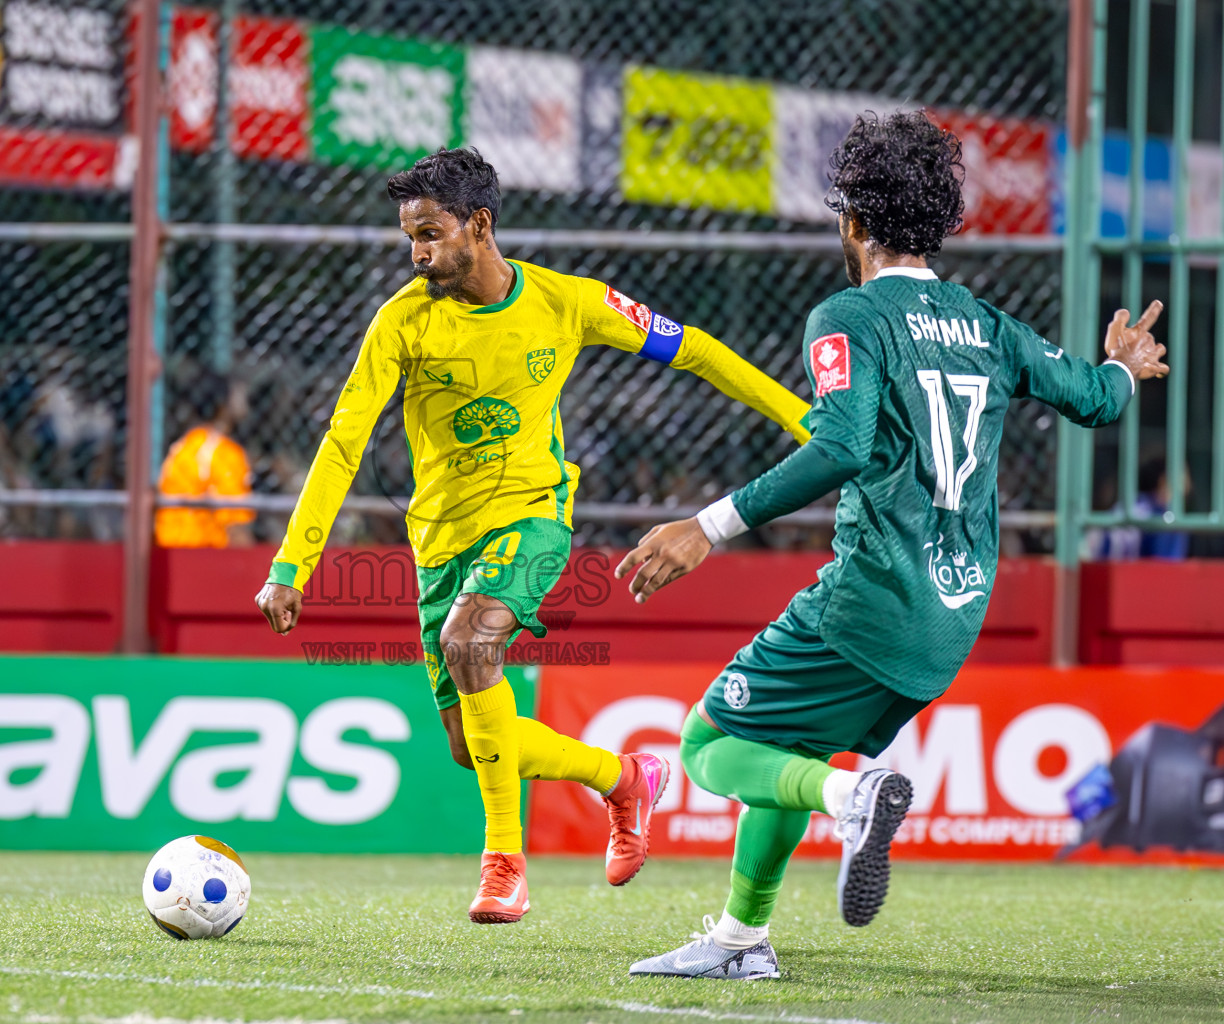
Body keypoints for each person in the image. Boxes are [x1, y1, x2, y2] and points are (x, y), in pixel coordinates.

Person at [615, 111, 1167, 980]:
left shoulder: (849, 315)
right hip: (953, 615)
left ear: (853, 223)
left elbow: (841, 444)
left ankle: (853, 798)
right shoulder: (987, 324)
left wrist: (706, 525)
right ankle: (740, 941)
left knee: (708, 745)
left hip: (868, 600)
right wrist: (1125, 366)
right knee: (786, 748)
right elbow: (1093, 399)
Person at [254, 147, 814, 923]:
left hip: (533, 519)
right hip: (438, 545)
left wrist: (806, 422)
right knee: (470, 743)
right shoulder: (402, 323)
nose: (417, 254)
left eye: (430, 234)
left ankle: (503, 866)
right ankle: (623, 778)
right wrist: (292, 566)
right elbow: (343, 444)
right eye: (410, 238)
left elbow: (694, 350)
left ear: (480, 225)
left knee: (469, 640)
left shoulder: (567, 301)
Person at [156, 376, 255, 548]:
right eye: (236, 393)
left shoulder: (185, 444)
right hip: (206, 552)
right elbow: (236, 529)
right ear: (221, 407)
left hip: (170, 550)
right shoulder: (225, 453)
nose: (244, 397)